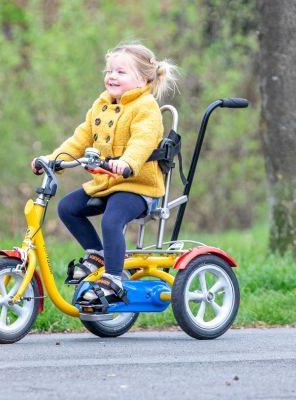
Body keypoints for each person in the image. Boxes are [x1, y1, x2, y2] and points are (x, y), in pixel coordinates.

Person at [32, 42, 178, 306]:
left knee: (111, 220)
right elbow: (80, 138)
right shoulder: (101, 105)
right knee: (67, 208)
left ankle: (113, 277)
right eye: (109, 70)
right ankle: (98, 254)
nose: (111, 76)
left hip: (138, 186)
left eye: (120, 72)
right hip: (106, 183)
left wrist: (127, 162)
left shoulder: (146, 107)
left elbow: (143, 142)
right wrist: (52, 160)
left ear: (142, 79)